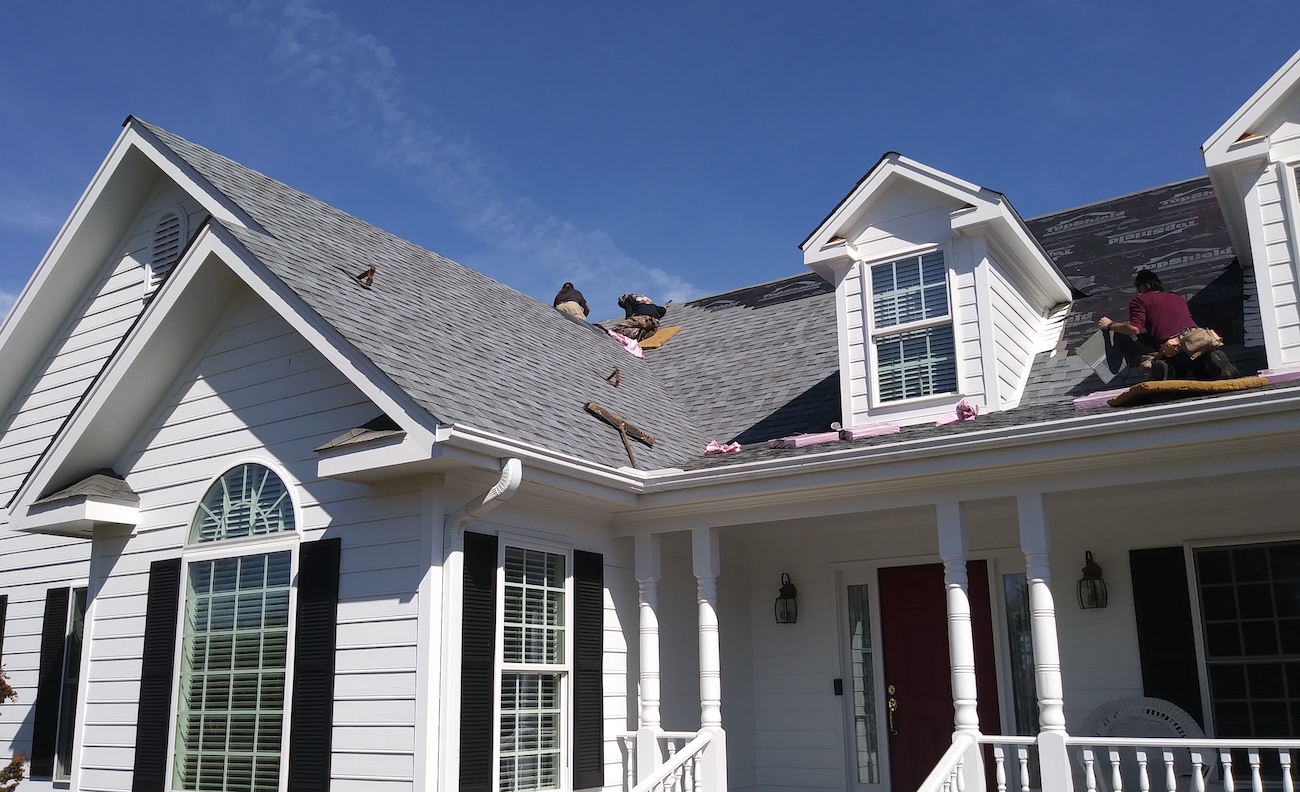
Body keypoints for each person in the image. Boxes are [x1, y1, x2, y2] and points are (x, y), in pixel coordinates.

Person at [1098, 270, 1239, 381]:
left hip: (1173, 347)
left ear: (1140, 287)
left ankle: (1164, 370)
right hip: (1198, 341)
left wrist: (1110, 325)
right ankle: (1213, 361)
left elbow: (1134, 329)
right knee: (1201, 370)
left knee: (1168, 368)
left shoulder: (1140, 300)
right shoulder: (1176, 297)